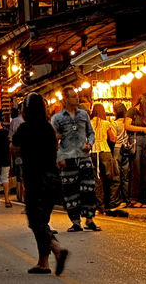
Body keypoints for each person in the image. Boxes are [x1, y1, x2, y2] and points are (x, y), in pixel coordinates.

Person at [11, 93, 69, 276]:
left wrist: (24, 152)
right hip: (53, 180)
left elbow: (14, 148)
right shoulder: (48, 128)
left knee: (35, 221)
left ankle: (56, 248)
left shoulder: (25, 128)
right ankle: (43, 262)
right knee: (42, 221)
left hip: (36, 179)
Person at [50, 86, 100, 232]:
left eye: (76, 96)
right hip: (68, 158)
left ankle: (89, 219)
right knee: (71, 191)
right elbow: (54, 140)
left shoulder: (84, 115)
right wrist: (59, 157)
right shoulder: (57, 118)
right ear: (65, 99)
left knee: (89, 189)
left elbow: (91, 133)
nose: (76, 98)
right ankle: (76, 221)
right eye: (72, 96)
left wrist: (89, 144)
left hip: (84, 157)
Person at [124, 93, 146, 208]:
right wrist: (142, 129)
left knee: (144, 171)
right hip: (135, 142)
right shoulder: (132, 111)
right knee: (136, 171)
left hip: (143, 143)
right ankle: (133, 199)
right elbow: (127, 126)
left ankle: (141, 199)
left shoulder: (143, 114)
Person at [90, 104, 116, 213]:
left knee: (97, 180)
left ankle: (99, 207)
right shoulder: (106, 123)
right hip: (105, 151)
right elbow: (113, 138)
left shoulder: (89, 123)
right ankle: (110, 205)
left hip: (93, 153)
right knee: (111, 178)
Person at [111, 101, 130, 209]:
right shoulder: (127, 123)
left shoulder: (115, 124)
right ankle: (126, 199)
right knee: (126, 176)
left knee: (116, 175)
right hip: (126, 149)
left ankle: (116, 200)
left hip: (117, 148)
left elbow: (113, 137)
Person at [9, 106, 25, 203]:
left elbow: (11, 138)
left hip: (20, 154)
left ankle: (24, 199)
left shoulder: (15, 121)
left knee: (23, 178)